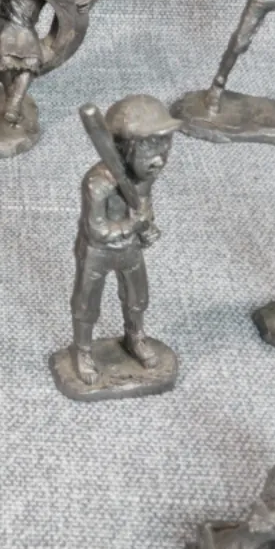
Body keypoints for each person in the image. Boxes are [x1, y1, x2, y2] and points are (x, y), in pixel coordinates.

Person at [70, 95, 180, 385]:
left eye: (165, 148)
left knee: (137, 297)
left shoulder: (146, 176)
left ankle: (135, 337)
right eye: (150, 149)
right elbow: (97, 230)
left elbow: (144, 203)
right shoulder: (98, 183)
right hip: (97, 253)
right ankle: (82, 351)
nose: (160, 159)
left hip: (129, 248)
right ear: (124, 147)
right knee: (86, 303)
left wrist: (147, 226)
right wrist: (134, 224)